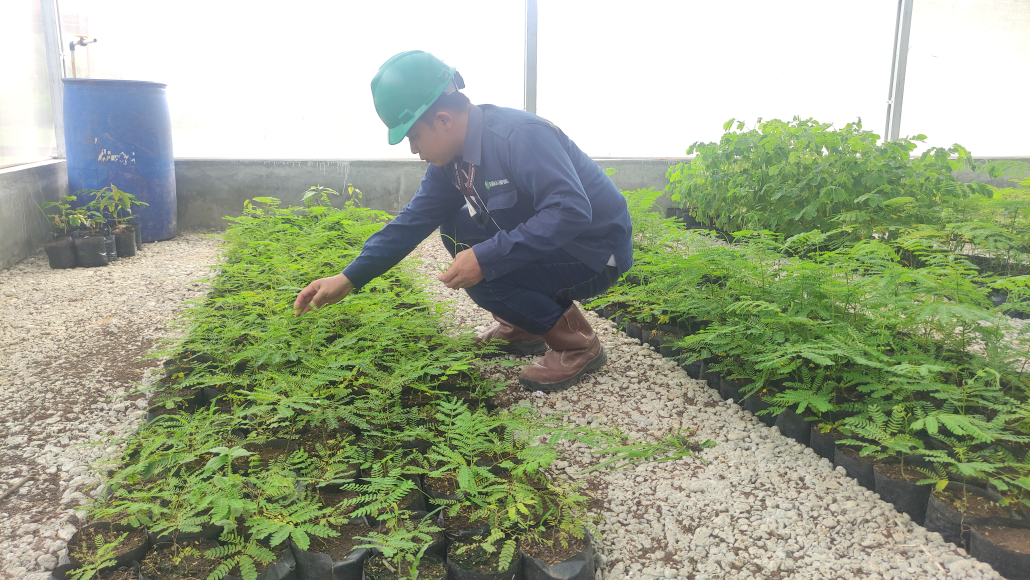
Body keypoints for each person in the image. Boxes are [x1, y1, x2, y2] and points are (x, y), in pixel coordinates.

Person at [293, 50, 633, 393]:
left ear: (443, 119)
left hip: (594, 252)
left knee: (484, 274)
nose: (413, 150)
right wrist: (349, 278)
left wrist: (487, 258)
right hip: (560, 243)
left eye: (413, 137)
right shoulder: (451, 162)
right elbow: (413, 221)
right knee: (458, 230)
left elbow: (570, 211)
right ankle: (524, 327)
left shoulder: (518, 136)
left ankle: (577, 344)